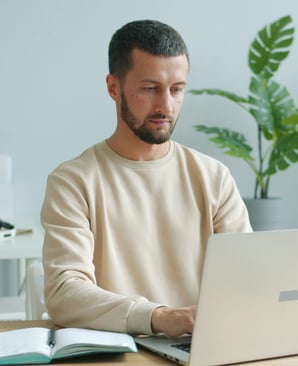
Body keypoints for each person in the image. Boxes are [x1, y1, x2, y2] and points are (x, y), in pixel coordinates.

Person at [41, 19, 252, 337]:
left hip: (202, 349)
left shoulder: (214, 177)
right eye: (150, 89)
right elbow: (65, 293)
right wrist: (158, 316)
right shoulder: (73, 181)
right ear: (114, 88)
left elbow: (250, 276)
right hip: (120, 351)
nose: (166, 106)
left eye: (177, 90)